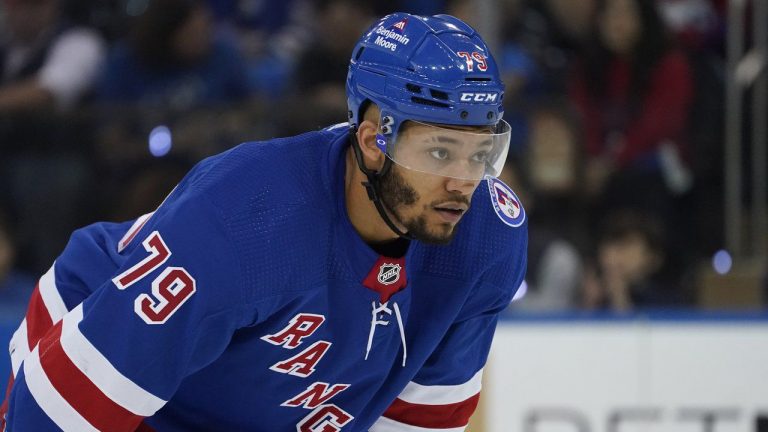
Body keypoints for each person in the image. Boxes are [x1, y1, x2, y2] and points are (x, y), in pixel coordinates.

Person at [2, 12, 527, 431]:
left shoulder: (488, 240)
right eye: (439, 152)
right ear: (372, 142)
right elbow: (57, 413)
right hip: (102, 343)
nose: (464, 181)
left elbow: (422, 419)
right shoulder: (246, 222)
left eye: (481, 153)